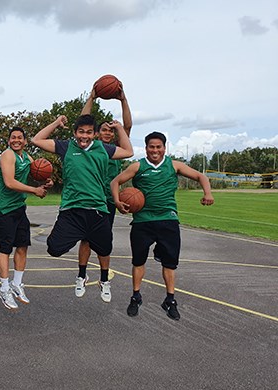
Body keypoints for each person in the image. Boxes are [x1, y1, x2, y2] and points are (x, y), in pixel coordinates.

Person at [110, 132, 214, 320]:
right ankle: (136, 296)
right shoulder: (138, 166)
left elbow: (201, 176)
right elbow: (115, 182)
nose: (155, 150)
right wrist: (117, 202)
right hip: (142, 221)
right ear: (146, 148)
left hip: (168, 219)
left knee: (169, 263)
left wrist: (208, 193)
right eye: (151, 146)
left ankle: (170, 299)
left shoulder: (174, 165)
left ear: (164, 148)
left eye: (158, 146)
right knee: (138, 261)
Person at [31, 114, 133, 303]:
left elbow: (128, 151)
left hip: (97, 210)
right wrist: (56, 123)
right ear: (74, 132)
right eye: (80, 132)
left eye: (88, 132)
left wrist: (119, 128)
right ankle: (82, 260)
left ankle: (103, 280)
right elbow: (36, 140)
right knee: (54, 248)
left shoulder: (103, 148)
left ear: (94, 134)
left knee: (104, 250)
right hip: (72, 210)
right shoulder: (66, 147)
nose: (84, 136)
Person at [76, 86, 132, 299]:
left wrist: (123, 100)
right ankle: (81, 275)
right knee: (86, 240)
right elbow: (84, 119)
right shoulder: (92, 146)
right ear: (97, 133)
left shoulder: (116, 148)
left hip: (108, 201)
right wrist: (91, 96)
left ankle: (104, 278)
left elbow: (128, 126)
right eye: (104, 130)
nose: (108, 133)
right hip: (88, 199)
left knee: (103, 241)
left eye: (111, 130)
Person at [0, 127, 52, 310]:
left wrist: (45, 181)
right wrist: (35, 190)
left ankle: (17, 284)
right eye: (13, 137)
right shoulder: (7, 155)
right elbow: (9, 182)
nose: (16, 140)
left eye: (20, 137)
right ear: (9, 141)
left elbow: (36, 173)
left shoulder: (26, 157)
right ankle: (4, 288)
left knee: (23, 246)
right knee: (5, 249)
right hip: (3, 211)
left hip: (19, 209)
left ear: (25, 141)